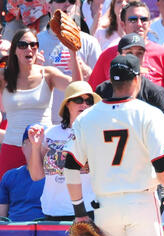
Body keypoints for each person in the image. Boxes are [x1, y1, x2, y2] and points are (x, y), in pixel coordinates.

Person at [63, 54, 164, 236]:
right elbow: (162, 163)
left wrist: (79, 212)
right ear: (138, 79)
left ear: (111, 80)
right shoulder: (148, 113)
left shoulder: (87, 117)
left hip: (105, 206)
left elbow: (70, 165)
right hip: (140, 201)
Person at [88, 0, 164, 129]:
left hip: (151, 132)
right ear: (123, 25)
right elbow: (93, 97)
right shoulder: (107, 56)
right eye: (133, 19)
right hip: (115, 132)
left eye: (144, 19)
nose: (139, 24)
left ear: (149, 24)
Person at [0, 28, 82, 181]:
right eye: (23, 45)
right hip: (12, 147)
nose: (29, 49)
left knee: (45, 198)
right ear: (15, 50)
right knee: (7, 200)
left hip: (45, 147)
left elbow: (77, 89)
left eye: (33, 44)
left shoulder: (48, 74)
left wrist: (73, 53)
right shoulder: (3, 76)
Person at [27, 81, 100, 221]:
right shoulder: (50, 133)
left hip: (86, 211)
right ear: (67, 103)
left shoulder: (97, 133)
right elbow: (36, 176)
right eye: (79, 100)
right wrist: (36, 147)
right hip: (53, 210)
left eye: (89, 101)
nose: (84, 104)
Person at [37, 0, 102, 124]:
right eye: (61, 0)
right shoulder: (36, 41)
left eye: (72, 1)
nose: (67, 4)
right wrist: (34, 68)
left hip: (82, 121)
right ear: (48, 6)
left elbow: (101, 84)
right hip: (48, 122)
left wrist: (85, 70)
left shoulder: (90, 41)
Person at [95, 33, 164, 122]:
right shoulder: (103, 89)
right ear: (118, 55)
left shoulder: (155, 92)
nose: (134, 57)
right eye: (129, 52)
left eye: (139, 53)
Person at [0, 124, 45, 222]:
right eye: (30, 142)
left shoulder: (56, 177)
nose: (35, 146)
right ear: (22, 148)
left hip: (46, 231)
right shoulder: (9, 176)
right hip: (14, 231)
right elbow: (1, 218)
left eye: (41, 143)